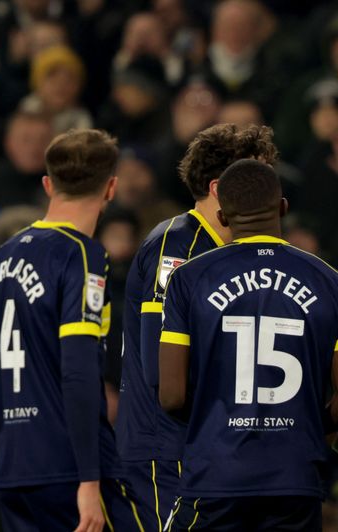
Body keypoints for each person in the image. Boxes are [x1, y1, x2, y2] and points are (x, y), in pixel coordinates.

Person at [158, 159, 338, 530]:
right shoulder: (333, 284)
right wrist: (308, 425)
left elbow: (171, 396)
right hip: (295, 480)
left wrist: (221, 421)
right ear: (283, 207)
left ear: (222, 216)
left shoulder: (189, 280)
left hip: (218, 476)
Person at [115, 123, 279, 531]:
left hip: (212, 451)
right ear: (219, 187)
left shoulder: (238, 254)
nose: (268, 192)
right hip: (167, 452)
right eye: (254, 179)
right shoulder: (178, 246)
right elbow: (162, 372)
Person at [0, 129, 138, 531]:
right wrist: (89, 478)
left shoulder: (2, 255)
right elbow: (79, 369)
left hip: (16, 465)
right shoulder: (81, 254)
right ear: (112, 188)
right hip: (68, 466)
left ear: (48, 184)